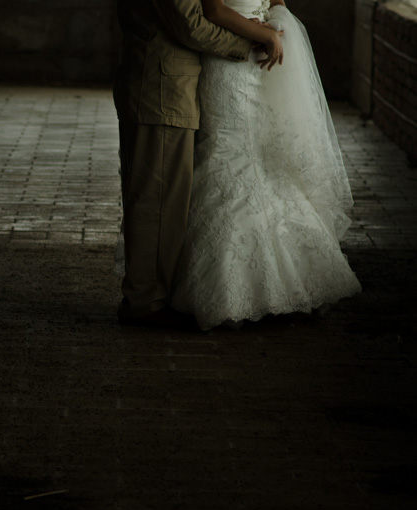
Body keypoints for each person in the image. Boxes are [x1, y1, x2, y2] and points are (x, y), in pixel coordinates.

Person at [170, 0, 362, 330]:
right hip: (226, 60)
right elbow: (214, 10)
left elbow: (275, 2)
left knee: (263, 156)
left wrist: (274, 29)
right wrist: (263, 34)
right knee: (228, 151)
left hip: (261, 59)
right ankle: (229, 285)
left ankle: (283, 281)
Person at [113, 1, 283, 327]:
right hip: (162, 89)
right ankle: (145, 303)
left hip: (158, 84)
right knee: (157, 203)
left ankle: (147, 296)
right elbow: (190, 25)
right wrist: (246, 43)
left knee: (159, 199)